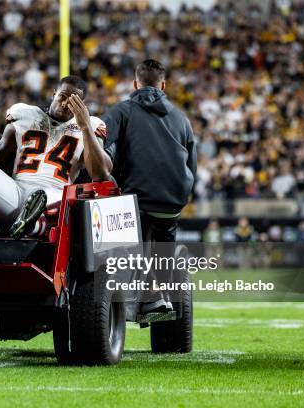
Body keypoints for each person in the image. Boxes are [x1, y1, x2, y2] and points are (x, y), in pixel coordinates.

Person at [0, 75, 112, 238]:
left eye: (72, 102)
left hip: (54, 193)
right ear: (54, 94)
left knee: (53, 197)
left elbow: (101, 173)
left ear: (82, 106)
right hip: (14, 191)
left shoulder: (91, 125)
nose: (65, 105)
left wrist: (85, 127)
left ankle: (32, 227)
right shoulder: (24, 114)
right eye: (62, 97)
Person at [102, 59, 197, 311]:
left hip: (137, 197)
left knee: (129, 243)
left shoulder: (122, 111)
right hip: (174, 199)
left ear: (135, 83)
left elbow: (100, 142)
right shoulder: (181, 117)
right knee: (164, 248)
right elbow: (193, 164)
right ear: (163, 85)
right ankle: (161, 292)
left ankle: (151, 295)